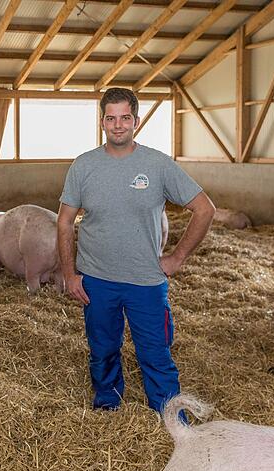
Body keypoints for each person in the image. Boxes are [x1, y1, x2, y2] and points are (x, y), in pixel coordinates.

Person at [57, 87, 215, 417]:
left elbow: (204, 209)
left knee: (156, 352)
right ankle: (108, 406)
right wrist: (70, 274)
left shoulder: (157, 165)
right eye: (111, 118)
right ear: (102, 122)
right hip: (96, 279)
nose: (118, 125)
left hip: (145, 280)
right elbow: (64, 221)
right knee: (102, 350)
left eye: (125, 118)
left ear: (136, 121)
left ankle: (170, 416)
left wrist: (177, 257)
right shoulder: (84, 166)